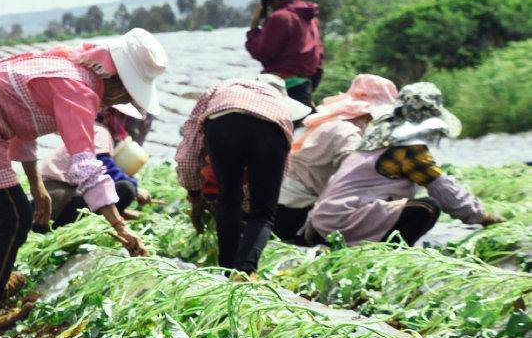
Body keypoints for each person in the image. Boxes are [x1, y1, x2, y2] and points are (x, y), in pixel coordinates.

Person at [0, 31, 163, 328]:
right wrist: (120, 227)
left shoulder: (70, 72)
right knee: (14, 217)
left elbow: (23, 128)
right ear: (117, 81)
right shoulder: (78, 89)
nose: (119, 102)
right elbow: (87, 165)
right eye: (126, 94)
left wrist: (36, 183)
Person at [306, 82, 502, 246]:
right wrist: (481, 216)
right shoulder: (407, 150)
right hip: (339, 223)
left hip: (320, 222)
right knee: (427, 208)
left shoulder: (377, 136)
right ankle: (387, 254)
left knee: (409, 206)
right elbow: (443, 189)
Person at [176, 75, 311, 272]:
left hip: (224, 119)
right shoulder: (279, 106)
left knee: (229, 199)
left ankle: (226, 268)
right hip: (271, 129)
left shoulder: (221, 88)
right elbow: (278, 172)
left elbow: (190, 146)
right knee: (263, 213)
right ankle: (244, 270)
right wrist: (252, 205)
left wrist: (194, 194)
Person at [275, 74, 398, 241]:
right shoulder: (348, 133)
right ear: (370, 114)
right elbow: (354, 177)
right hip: (296, 212)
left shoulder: (327, 122)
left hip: (279, 204)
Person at [38, 107, 145, 228]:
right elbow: (106, 170)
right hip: (57, 202)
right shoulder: (100, 132)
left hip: (54, 198)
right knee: (126, 188)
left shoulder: (92, 127)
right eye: (122, 117)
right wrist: (136, 189)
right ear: (115, 116)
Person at [244, 0, 323, 108]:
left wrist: (254, 27)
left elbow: (262, 52)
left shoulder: (280, 17)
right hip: (304, 86)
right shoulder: (310, 17)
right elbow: (318, 57)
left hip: (281, 87)